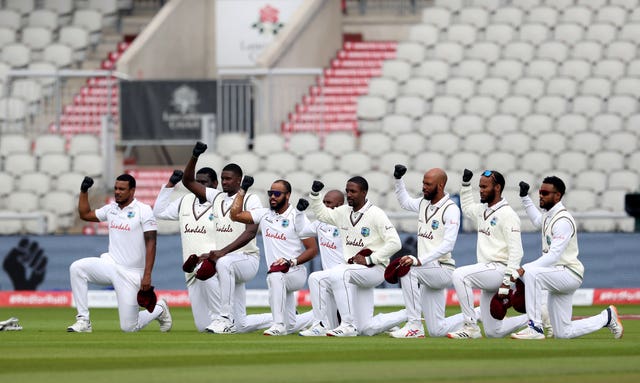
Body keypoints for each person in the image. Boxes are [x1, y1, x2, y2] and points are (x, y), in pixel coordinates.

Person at [511, 177, 623, 340]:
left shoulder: (563, 220)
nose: (541, 196)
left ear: (558, 196)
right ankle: (607, 317)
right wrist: (524, 198)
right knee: (563, 332)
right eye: (540, 192)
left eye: (545, 193)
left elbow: (554, 255)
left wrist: (525, 268)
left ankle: (535, 327)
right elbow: (537, 220)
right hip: (557, 275)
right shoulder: (548, 216)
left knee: (531, 273)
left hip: (568, 273)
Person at [181, 145, 271, 334]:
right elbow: (188, 181)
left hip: (247, 259)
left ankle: (222, 318)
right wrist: (194, 156)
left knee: (218, 264)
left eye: (228, 179)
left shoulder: (250, 199)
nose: (224, 182)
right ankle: (290, 317)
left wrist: (222, 252)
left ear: (239, 180)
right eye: (222, 179)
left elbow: (251, 232)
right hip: (227, 262)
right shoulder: (217, 197)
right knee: (241, 325)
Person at [68, 174, 172, 333]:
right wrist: (84, 191)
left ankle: (160, 309)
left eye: (122, 189)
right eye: (116, 188)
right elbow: (85, 214)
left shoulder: (143, 210)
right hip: (110, 264)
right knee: (77, 268)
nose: (117, 192)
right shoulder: (111, 208)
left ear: (132, 191)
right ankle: (83, 320)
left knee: (129, 327)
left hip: (131, 273)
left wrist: (147, 275)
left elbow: (151, 242)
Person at [309, 176, 406, 337]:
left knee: (340, 272)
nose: (349, 194)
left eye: (353, 191)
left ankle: (347, 325)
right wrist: (314, 194)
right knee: (316, 278)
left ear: (364, 192)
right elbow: (321, 214)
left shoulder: (376, 214)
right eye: (347, 191)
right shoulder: (342, 212)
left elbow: (395, 243)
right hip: (356, 271)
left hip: (375, 269)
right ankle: (408, 314)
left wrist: (370, 259)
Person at [230, 177, 316, 336]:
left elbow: (312, 249)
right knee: (292, 325)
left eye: (277, 193)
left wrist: (291, 262)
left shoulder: (298, 216)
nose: (272, 197)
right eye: (270, 193)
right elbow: (235, 215)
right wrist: (242, 191)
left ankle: (277, 324)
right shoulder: (264, 214)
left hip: (295, 271)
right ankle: (319, 315)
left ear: (288, 195)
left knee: (275, 275)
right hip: (279, 274)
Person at [447, 169, 528, 339]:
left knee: (460, 275)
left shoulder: (508, 215)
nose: (481, 190)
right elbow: (468, 208)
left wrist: (507, 282)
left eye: (484, 187)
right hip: (487, 270)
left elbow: (516, 251)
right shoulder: (483, 210)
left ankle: (470, 327)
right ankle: (536, 317)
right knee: (493, 332)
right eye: (479, 187)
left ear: (497, 188)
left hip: (500, 270)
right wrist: (466, 185)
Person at [390, 165, 467, 338]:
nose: (424, 187)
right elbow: (405, 202)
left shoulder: (451, 209)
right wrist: (398, 179)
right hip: (427, 271)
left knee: (407, 270)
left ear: (440, 186)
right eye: (423, 183)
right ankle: (479, 313)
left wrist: (419, 260)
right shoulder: (424, 203)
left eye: (428, 184)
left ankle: (414, 326)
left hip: (442, 269)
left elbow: (448, 246)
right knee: (436, 330)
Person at [152, 167, 222, 332]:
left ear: (215, 184)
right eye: (196, 182)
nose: (198, 186)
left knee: (225, 321)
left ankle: (224, 319)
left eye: (203, 183)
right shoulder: (185, 201)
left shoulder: (222, 203)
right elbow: (159, 212)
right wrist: (170, 185)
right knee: (203, 327)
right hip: (191, 270)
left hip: (215, 268)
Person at [298, 190, 345, 336]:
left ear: (340, 204)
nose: (324, 205)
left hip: (344, 276)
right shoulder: (320, 223)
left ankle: (319, 324)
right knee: (334, 326)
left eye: (328, 203)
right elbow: (302, 232)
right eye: (323, 202)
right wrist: (300, 213)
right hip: (329, 278)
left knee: (362, 326)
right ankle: (320, 325)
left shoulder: (346, 222)